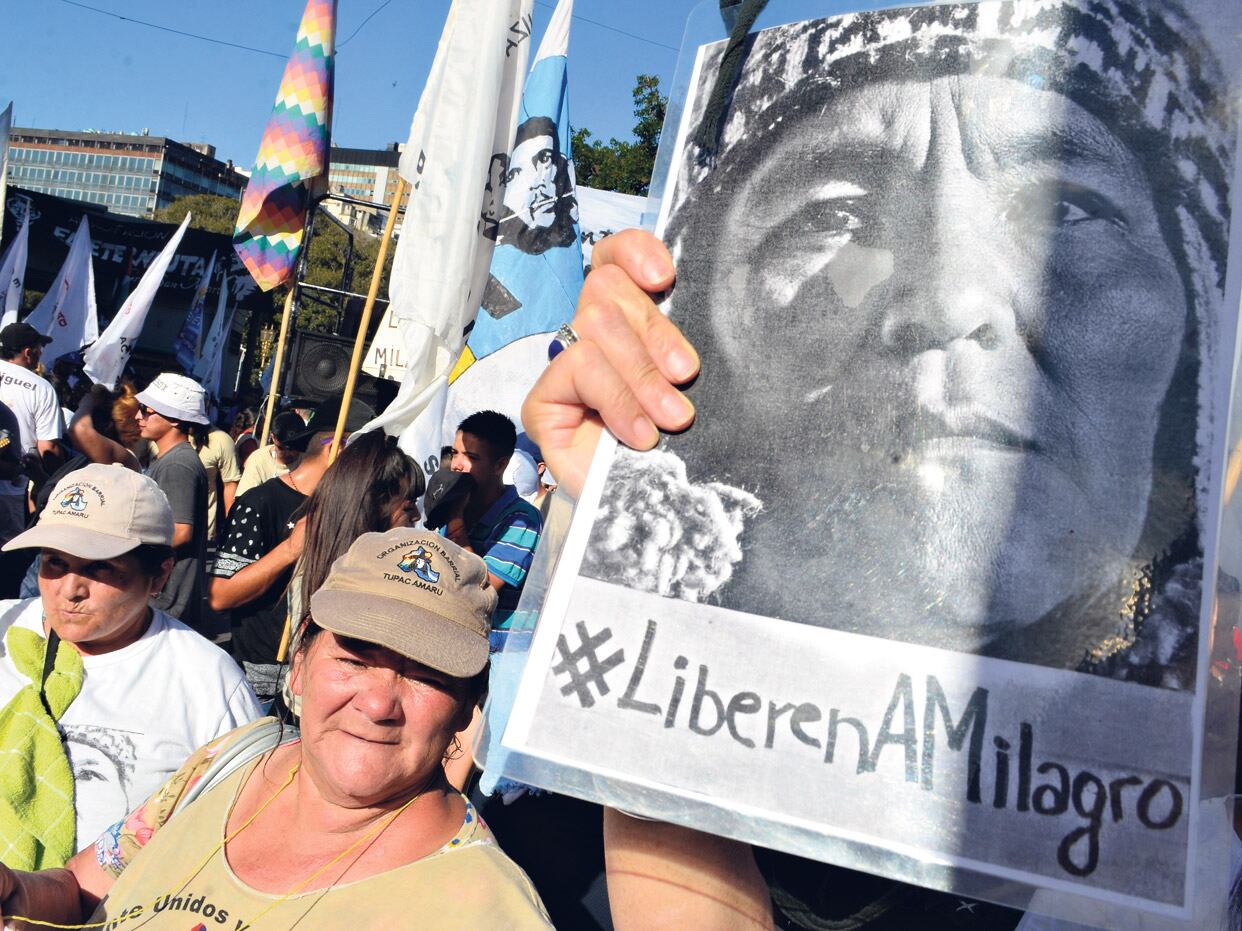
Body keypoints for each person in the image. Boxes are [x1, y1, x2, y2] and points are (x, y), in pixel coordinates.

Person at [0, 528, 552, 929]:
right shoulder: (230, 760)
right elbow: (80, 890)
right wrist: (17, 891)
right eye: (355, 659)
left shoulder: (484, 909)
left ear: (466, 706)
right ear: (303, 658)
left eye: (425, 676)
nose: (380, 702)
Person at [0, 464, 261, 866]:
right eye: (54, 562)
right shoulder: (5, 631)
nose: (70, 590)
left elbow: (235, 830)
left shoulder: (208, 683)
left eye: (99, 566)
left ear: (159, 575)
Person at [209, 418, 334, 702]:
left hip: (315, 676)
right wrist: (290, 549)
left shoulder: (344, 508)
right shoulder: (260, 501)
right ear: (335, 448)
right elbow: (220, 595)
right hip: (262, 678)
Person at [445, 411, 543, 638]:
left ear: (500, 465)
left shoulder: (523, 519)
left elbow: (479, 590)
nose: (457, 464)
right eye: (454, 453)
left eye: (471, 457)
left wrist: (455, 519)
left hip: (495, 650)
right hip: (453, 635)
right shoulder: (453, 504)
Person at [135, 373, 210, 629]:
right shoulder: (172, 460)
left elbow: (180, 531)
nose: (138, 417)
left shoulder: (178, 464)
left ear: (175, 419)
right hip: (163, 592)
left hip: (167, 596)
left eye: (146, 410)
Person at [0, 323, 61, 548]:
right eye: (39, 348)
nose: (41, 353)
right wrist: (51, 482)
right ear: (28, 352)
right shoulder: (41, 388)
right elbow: (48, 449)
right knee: (7, 553)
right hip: (10, 487)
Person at [488, 116, 579, 256]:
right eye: (518, 172)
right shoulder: (491, 254)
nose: (540, 182)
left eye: (545, 159)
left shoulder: (565, 250)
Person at [234, 410, 308, 498]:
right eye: (281, 448)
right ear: (273, 437)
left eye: (294, 448)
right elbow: (243, 499)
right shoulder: (258, 460)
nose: (287, 453)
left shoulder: (309, 461)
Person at [192, 420, 241, 546]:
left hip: (201, 534)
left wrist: (231, 529)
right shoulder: (152, 430)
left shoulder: (220, 440)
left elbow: (230, 484)